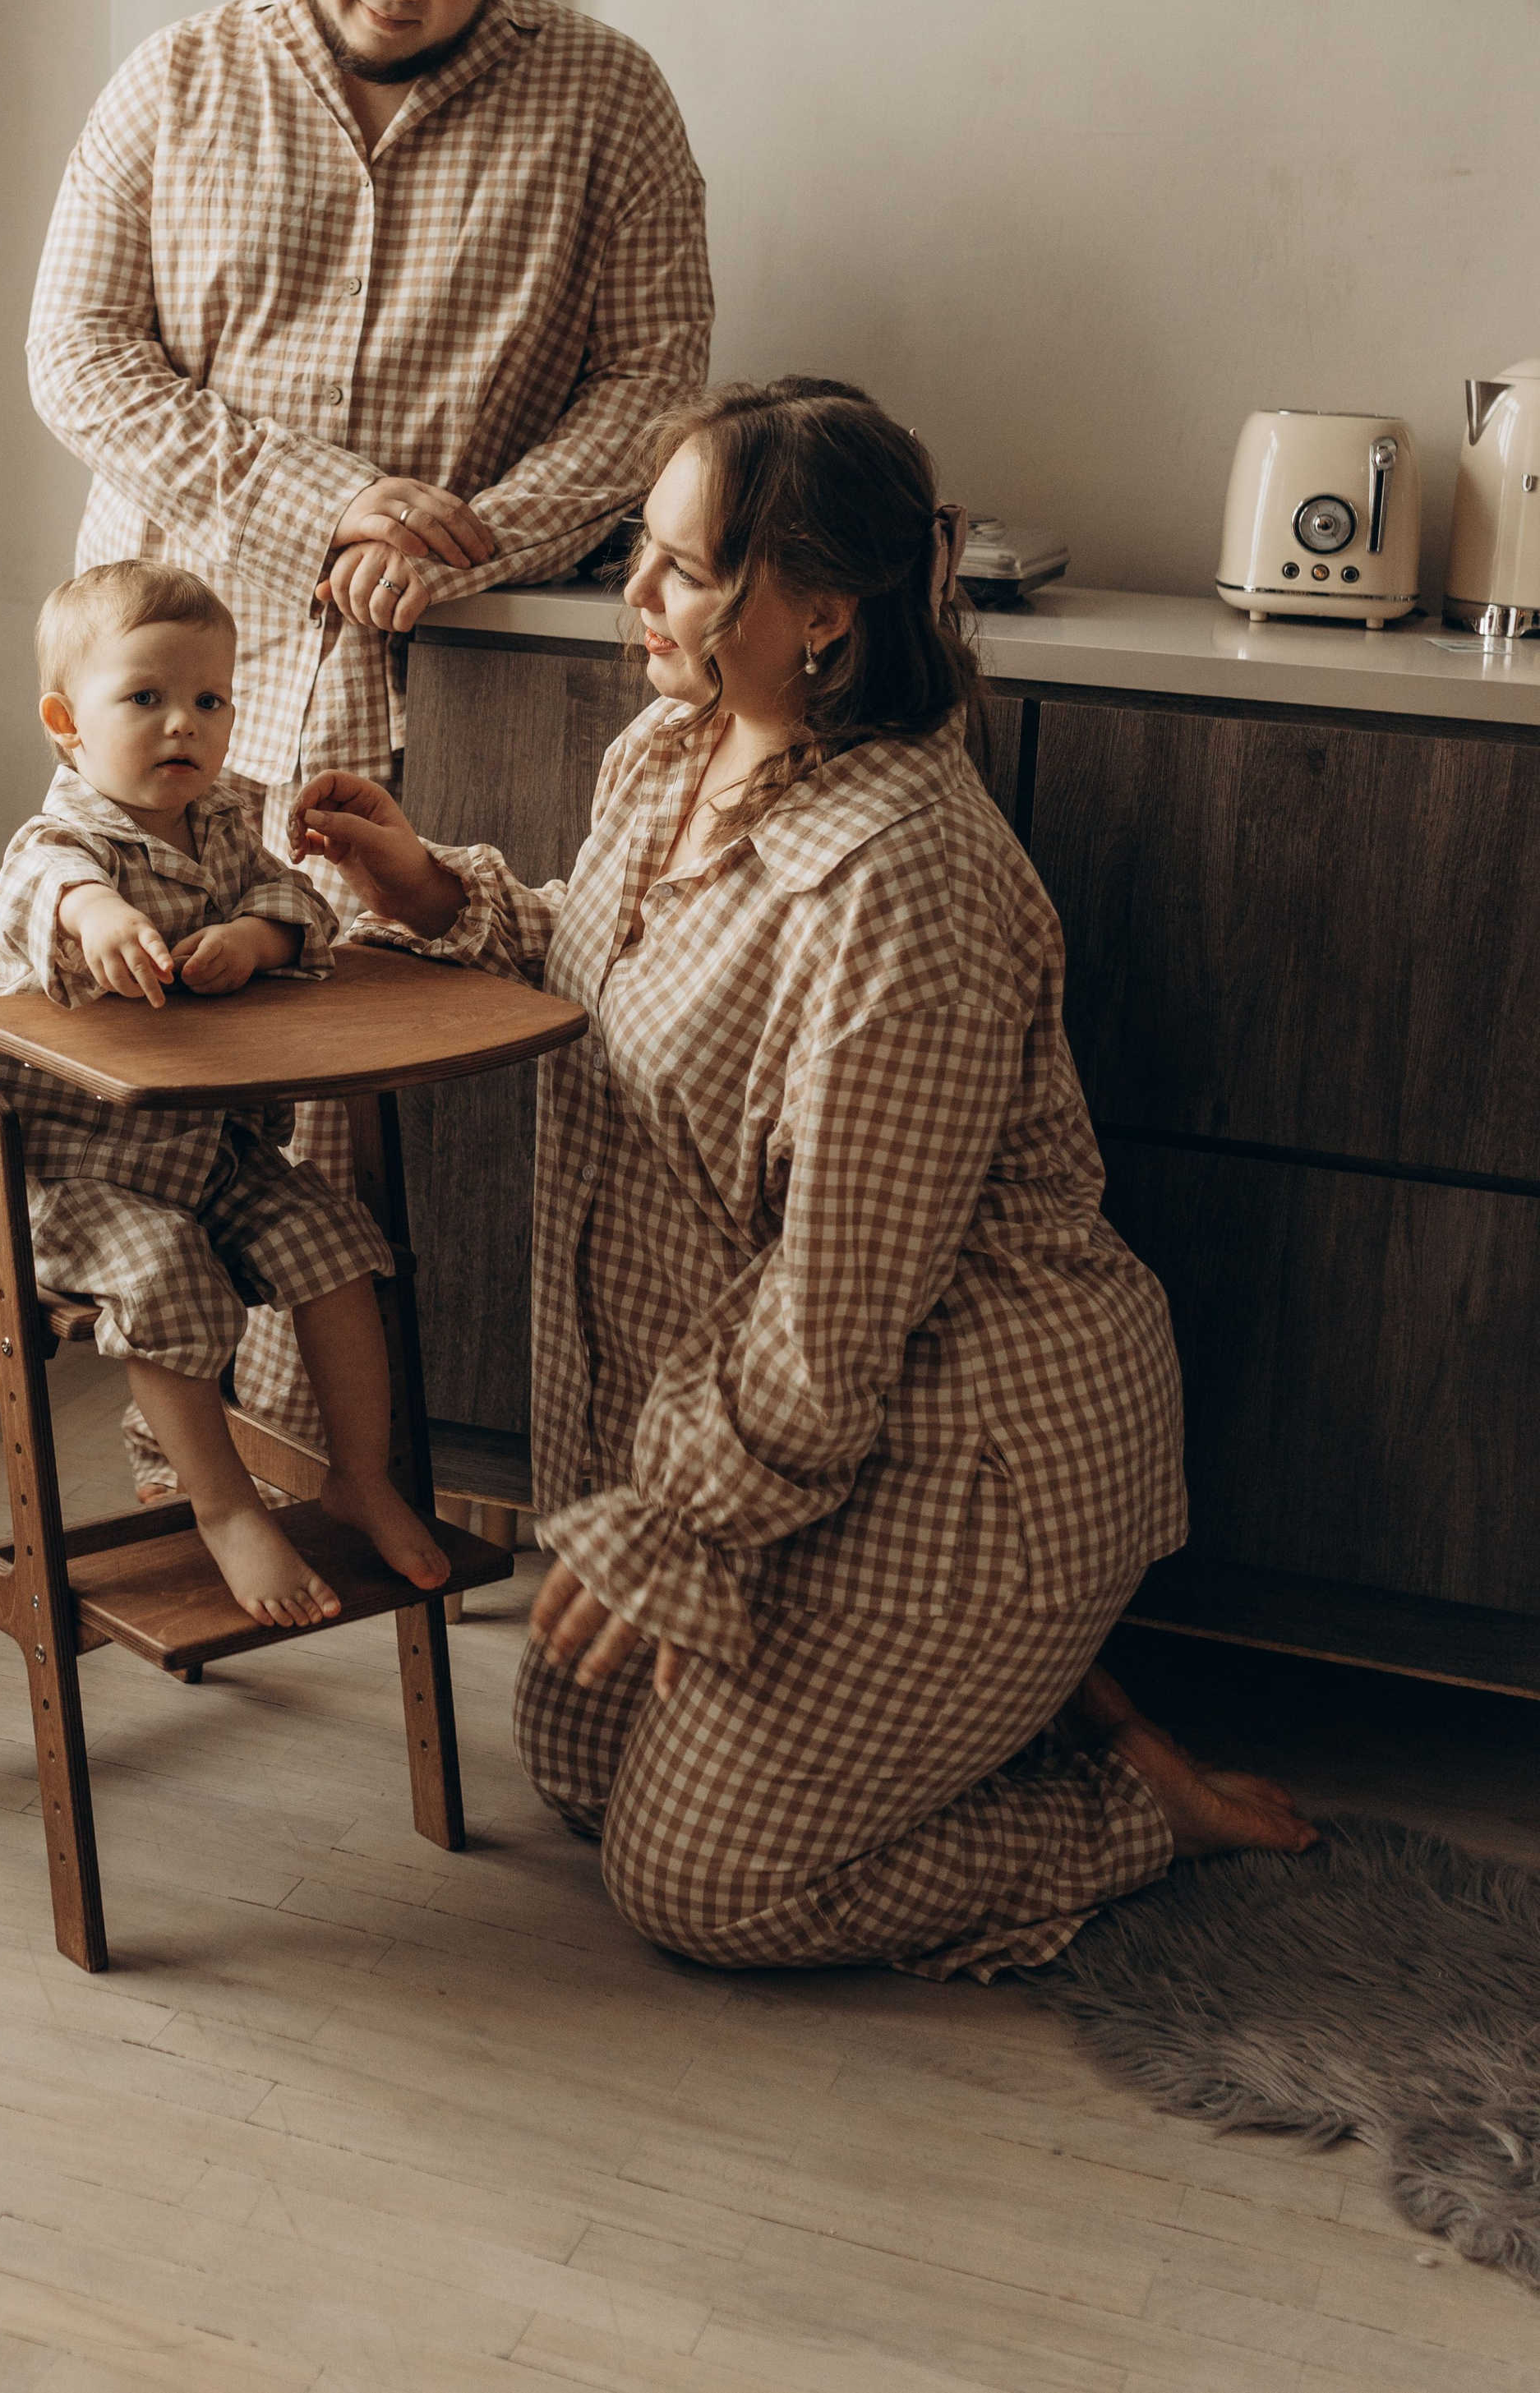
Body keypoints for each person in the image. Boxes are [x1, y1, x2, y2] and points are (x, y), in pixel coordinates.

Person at [293, 380, 1315, 1979]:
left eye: (683, 569)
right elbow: (613, 954)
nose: (635, 592)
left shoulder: (904, 887)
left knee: (695, 1886)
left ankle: (1128, 1808)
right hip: (803, 1428)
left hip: (961, 1450)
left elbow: (833, 1321)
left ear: (821, 610)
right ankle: (1006, 1709)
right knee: (571, 1756)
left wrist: (675, 1525)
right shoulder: (672, 749)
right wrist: (436, 892)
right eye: (647, 546)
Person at [28, 0, 712, 1489]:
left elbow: (651, 382)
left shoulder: (608, 101)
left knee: (357, 1085)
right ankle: (192, 1451)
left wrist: (476, 533)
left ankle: (367, 1467)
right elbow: (74, 355)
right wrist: (313, 489)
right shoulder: (173, 81)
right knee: (152, 1046)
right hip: (171, 668)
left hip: (442, 674)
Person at [0, 558, 450, 1624]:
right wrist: (97, 921)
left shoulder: (227, 819)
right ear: (67, 721)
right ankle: (225, 1502)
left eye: (209, 699)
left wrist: (254, 934)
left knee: (337, 1244)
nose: (183, 723)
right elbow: (51, 892)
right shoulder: (57, 844)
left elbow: (293, 896)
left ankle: (360, 1474)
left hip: (219, 1155)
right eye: (145, 698)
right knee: (166, 1271)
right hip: (80, 1177)